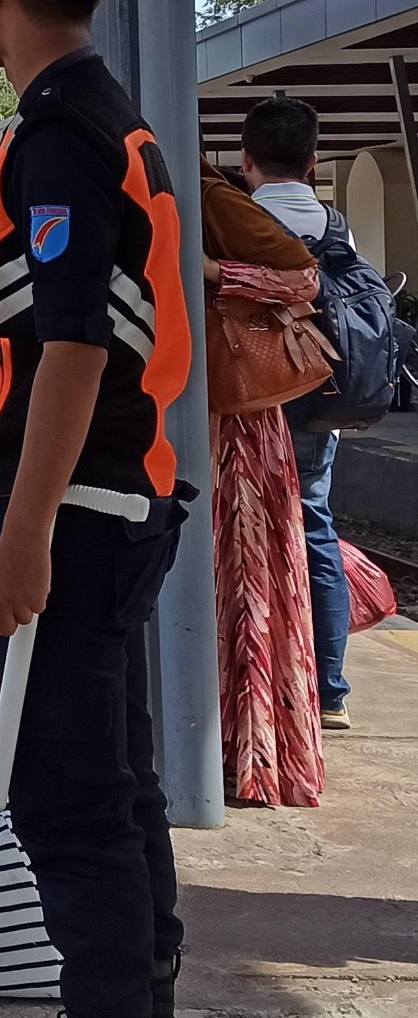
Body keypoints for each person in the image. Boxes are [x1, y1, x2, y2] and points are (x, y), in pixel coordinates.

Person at [0, 0, 192, 1018]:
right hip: (109, 498)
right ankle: (141, 986)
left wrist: (25, 536)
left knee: (68, 797)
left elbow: (73, 346)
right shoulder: (109, 119)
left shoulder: (60, 138)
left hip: (75, 508)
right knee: (118, 778)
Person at [198, 157, 324, 805]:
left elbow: (303, 276)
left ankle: (256, 761)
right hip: (211, 419)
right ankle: (241, 753)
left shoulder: (210, 197)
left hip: (236, 425)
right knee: (231, 587)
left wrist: (219, 275)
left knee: (247, 583)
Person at [240, 96, 354, 731]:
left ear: (247, 159)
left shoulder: (237, 221)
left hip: (255, 401)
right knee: (316, 533)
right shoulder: (336, 226)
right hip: (321, 401)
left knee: (252, 541)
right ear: (313, 163)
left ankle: (269, 684)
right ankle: (330, 690)